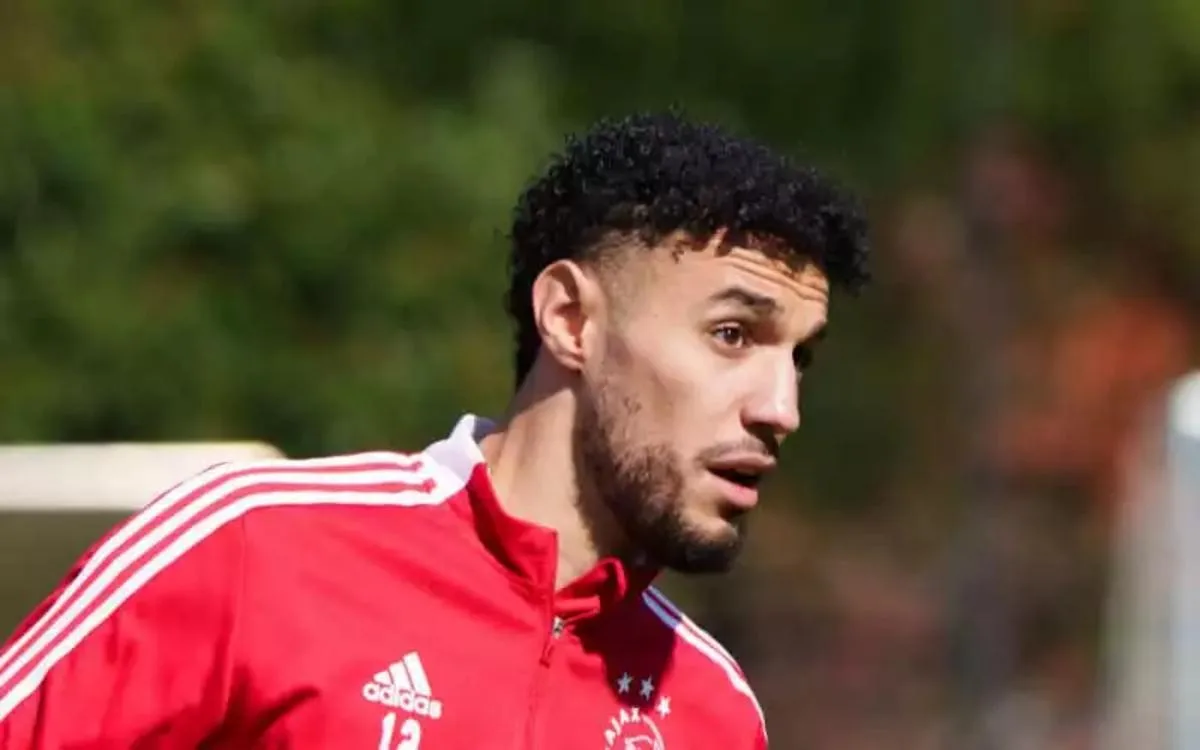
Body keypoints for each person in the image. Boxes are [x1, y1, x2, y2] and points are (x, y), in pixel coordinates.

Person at [0, 111, 869, 749]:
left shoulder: (716, 714)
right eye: (733, 335)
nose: (780, 408)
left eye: (799, 358)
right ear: (571, 320)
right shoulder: (253, 545)